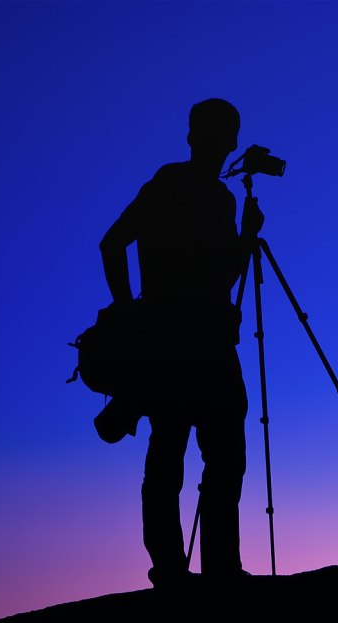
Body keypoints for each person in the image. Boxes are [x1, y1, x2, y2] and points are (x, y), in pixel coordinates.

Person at [99, 98, 263, 588]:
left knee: (213, 456)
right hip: (180, 343)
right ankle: (179, 570)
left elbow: (222, 275)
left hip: (206, 342)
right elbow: (113, 243)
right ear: (198, 137)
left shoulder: (222, 199)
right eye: (218, 133)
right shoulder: (170, 183)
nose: (222, 143)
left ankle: (212, 570)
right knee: (179, 455)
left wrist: (245, 239)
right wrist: (130, 312)